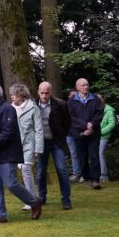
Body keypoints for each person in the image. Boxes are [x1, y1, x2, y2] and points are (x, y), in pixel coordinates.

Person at [0, 84, 41, 223]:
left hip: (7, 154)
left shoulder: (7, 109)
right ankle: (0, 215)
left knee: (11, 183)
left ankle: (34, 202)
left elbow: (7, 133)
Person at [35, 82, 73, 210]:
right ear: (38, 92)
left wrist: (61, 134)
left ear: (51, 92)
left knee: (62, 170)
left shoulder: (60, 105)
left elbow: (67, 122)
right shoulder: (32, 105)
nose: (44, 96)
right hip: (41, 143)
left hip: (57, 142)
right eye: (42, 93)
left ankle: (66, 199)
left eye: (47, 93)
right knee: (40, 172)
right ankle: (42, 197)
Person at [9, 84, 43, 207]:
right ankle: (33, 198)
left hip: (30, 143)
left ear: (21, 95)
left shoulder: (33, 108)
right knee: (22, 170)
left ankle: (32, 200)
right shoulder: (10, 109)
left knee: (26, 169)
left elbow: (39, 129)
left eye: (14, 95)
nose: (12, 97)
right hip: (17, 145)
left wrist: (38, 148)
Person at [68, 79, 103, 189]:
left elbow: (99, 114)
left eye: (87, 84)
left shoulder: (95, 99)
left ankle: (95, 179)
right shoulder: (71, 101)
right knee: (82, 157)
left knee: (94, 156)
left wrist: (91, 124)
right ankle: (87, 177)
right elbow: (71, 117)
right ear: (77, 87)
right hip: (79, 133)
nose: (86, 87)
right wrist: (85, 125)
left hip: (94, 132)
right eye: (83, 85)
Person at [98, 93, 116, 183]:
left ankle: (104, 175)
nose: (99, 100)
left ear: (104, 99)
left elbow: (112, 124)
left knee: (100, 153)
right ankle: (97, 174)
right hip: (93, 135)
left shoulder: (109, 110)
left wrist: (100, 132)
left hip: (104, 135)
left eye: (100, 98)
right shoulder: (94, 109)